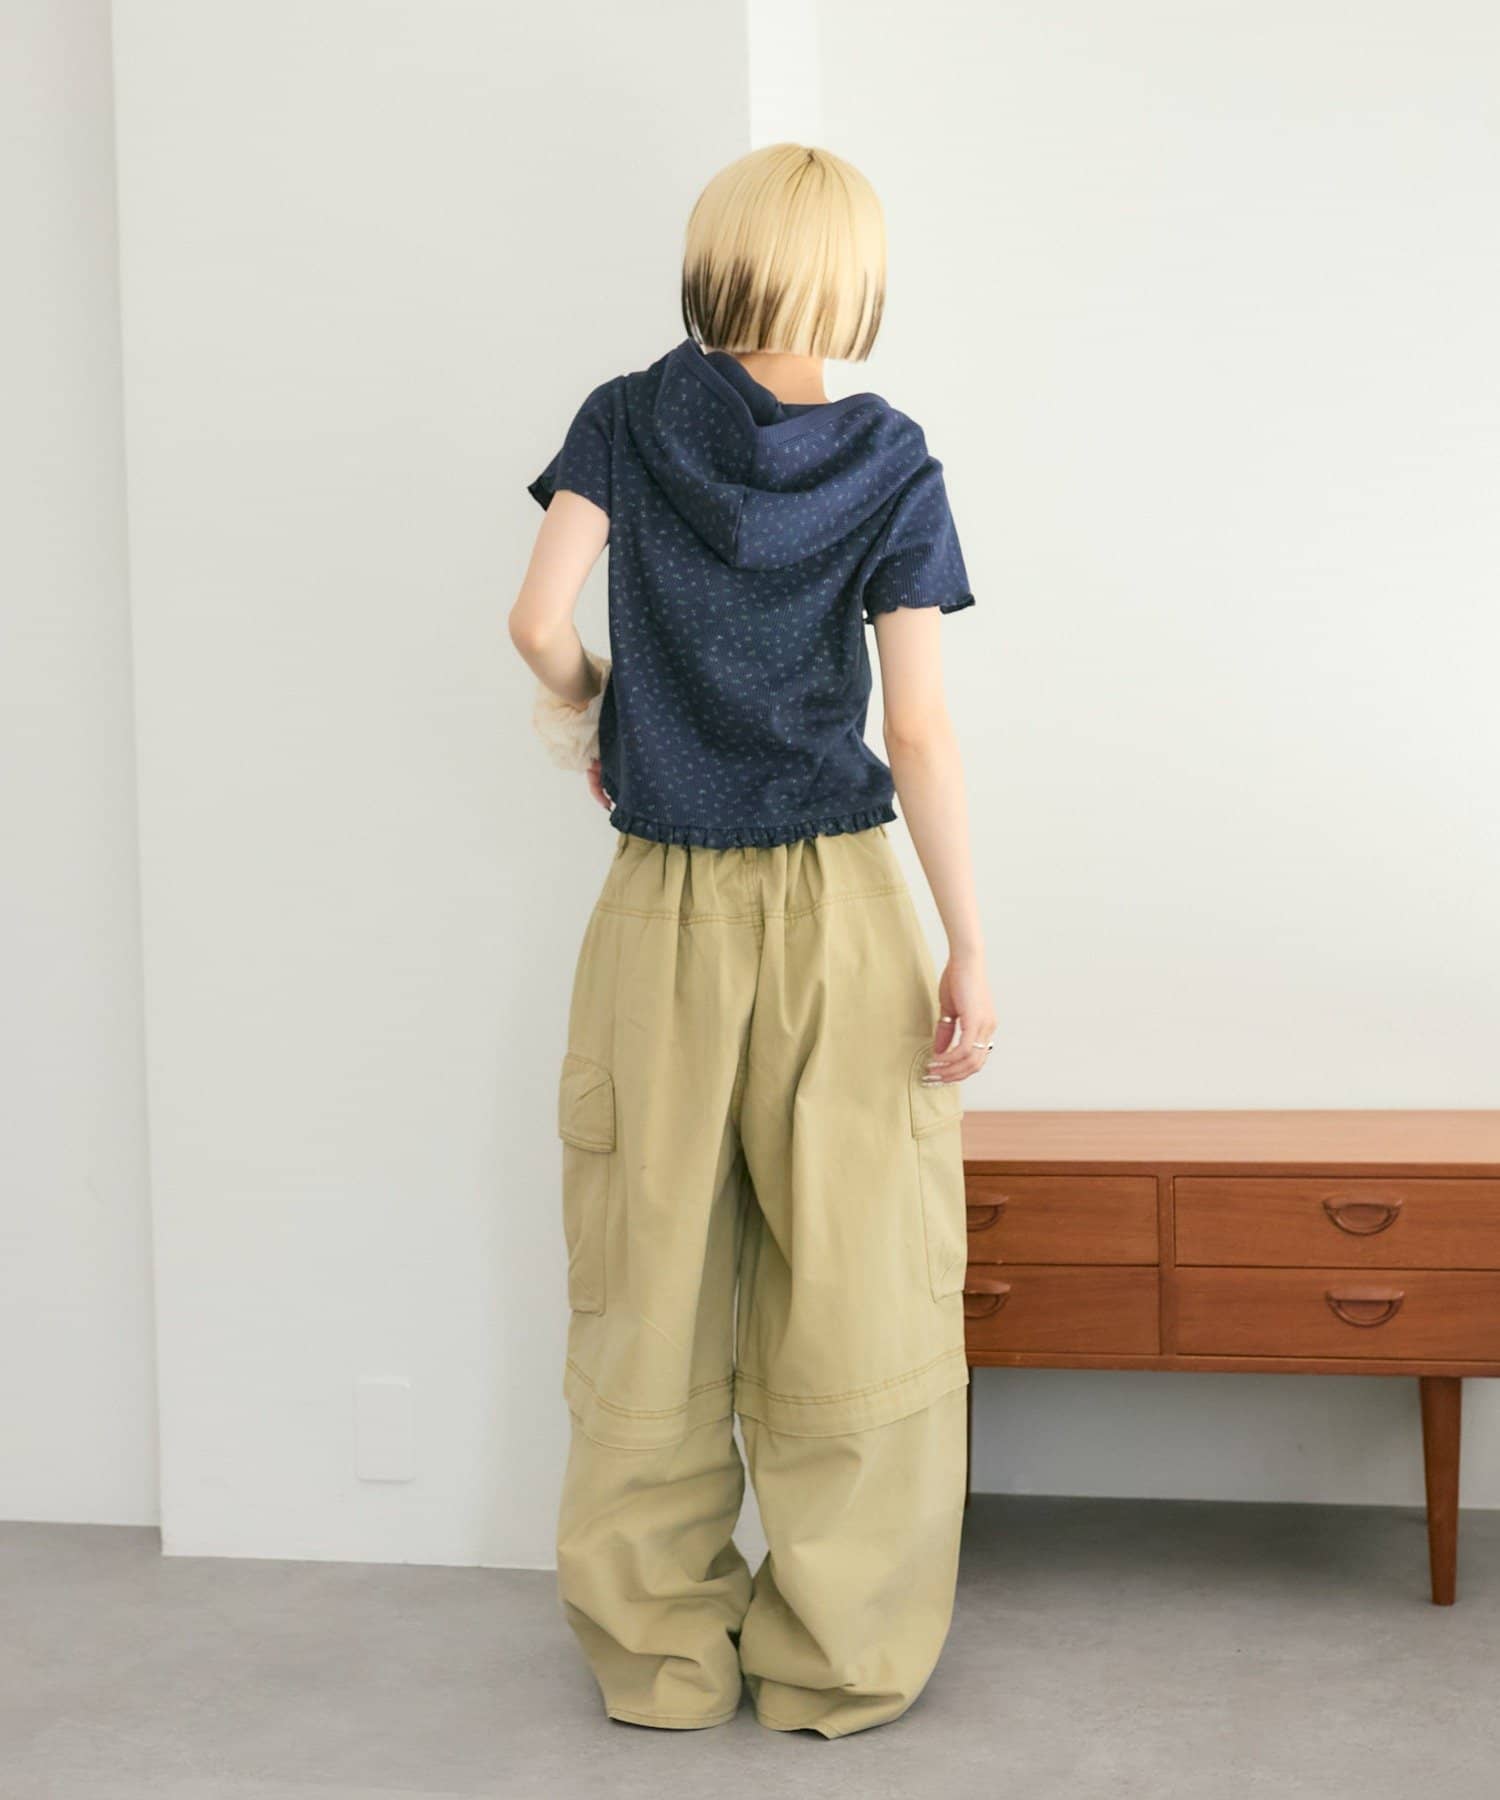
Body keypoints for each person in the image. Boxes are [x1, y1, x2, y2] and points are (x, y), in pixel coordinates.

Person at [509, 141, 994, 1740]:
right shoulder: (889, 458)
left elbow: (536, 622)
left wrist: (594, 714)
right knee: (861, 1284)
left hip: (659, 909)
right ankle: (839, 1660)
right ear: (853, 279)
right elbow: (918, 734)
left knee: (647, 1280)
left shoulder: (622, 418)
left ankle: (661, 1664)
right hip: (841, 912)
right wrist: (968, 946)